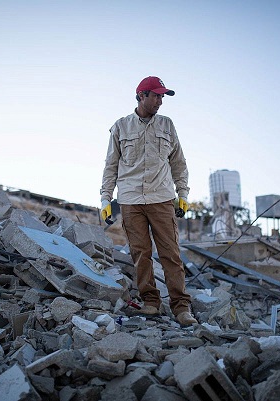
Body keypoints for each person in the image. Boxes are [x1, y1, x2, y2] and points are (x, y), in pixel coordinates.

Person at [100, 76, 198, 326]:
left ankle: (181, 307)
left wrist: (183, 195)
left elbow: (179, 163)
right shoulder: (121, 127)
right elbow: (111, 165)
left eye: (162, 96)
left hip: (162, 199)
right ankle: (151, 303)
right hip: (131, 201)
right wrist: (105, 199)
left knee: (170, 254)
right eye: (156, 95)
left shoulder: (167, 125)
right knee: (140, 254)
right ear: (141, 95)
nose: (160, 101)